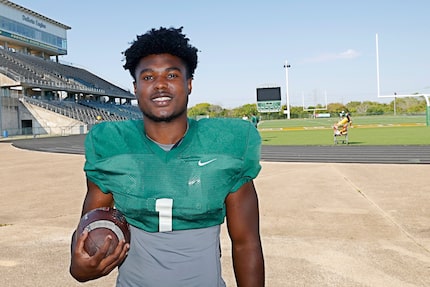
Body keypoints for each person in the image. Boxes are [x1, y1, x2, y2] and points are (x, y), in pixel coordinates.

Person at [69, 27, 265, 286]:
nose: (160, 84)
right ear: (135, 87)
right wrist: (80, 267)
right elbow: (88, 228)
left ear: (189, 84)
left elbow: (246, 243)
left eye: (172, 74)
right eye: (148, 77)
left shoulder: (225, 146)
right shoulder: (112, 148)